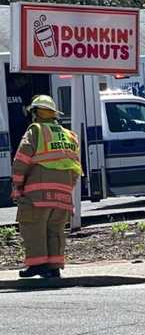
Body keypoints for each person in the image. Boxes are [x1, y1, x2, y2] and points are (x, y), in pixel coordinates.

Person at [11, 95, 83, 278]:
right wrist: (68, 189)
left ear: (35, 113)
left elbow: (22, 160)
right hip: (63, 194)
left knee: (33, 226)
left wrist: (17, 186)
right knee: (56, 230)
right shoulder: (69, 135)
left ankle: (37, 265)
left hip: (38, 193)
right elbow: (75, 166)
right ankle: (54, 266)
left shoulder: (35, 130)